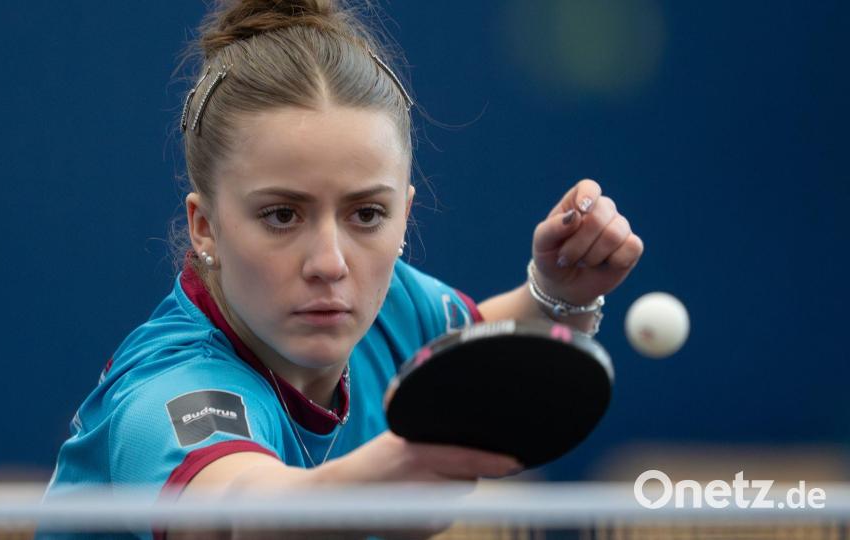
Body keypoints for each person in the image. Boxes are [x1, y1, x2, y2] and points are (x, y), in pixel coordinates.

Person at [42, 0, 643, 537]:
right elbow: (235, 514)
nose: (330, 264)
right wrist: (385, 476)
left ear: (404, 216)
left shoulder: (394, 309)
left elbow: (488, 349)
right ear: (206, 227)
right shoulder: (171, 387)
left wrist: (558, 291)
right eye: (282, 215)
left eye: (366, 214)